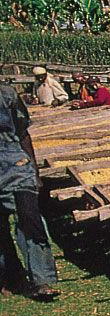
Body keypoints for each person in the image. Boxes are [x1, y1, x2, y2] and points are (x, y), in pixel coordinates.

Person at [0, 84, 60, 300]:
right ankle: (11, 276)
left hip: (15, 164)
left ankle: (42, 279)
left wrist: (34, 171)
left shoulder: (7, 95)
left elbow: (23, 133)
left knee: (29, 217)